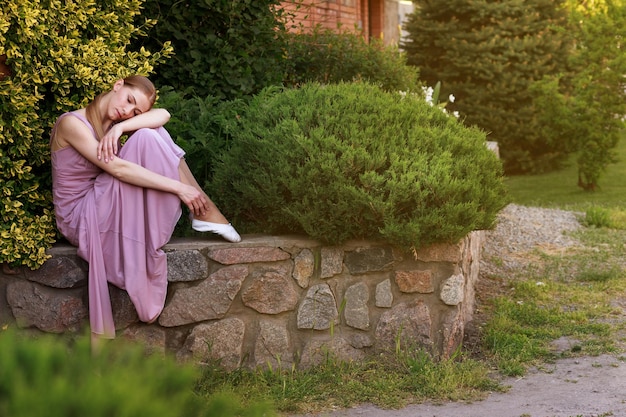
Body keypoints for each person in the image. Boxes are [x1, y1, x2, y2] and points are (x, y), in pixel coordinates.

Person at [50, 75, 241, 343]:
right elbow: (116, 168)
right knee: (146, 140)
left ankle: (203, 211)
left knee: (152, 133)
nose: (127, 111)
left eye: (135, 110)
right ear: (117, 84)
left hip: (103, 199)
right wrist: (180, 188)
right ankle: (203, 208)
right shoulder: (72, 122)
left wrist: (119, 129)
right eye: (128, 100)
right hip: (81, 215)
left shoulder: (114, 123)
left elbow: (163, 114)